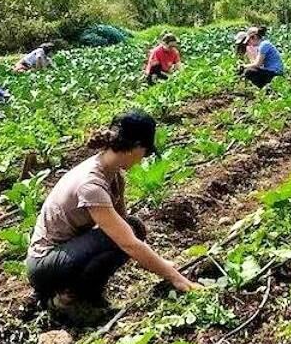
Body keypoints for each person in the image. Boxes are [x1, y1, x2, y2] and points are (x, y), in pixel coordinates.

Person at [26, 110, 200, 315]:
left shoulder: (113, 175)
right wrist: (175, 277)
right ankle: (66, 301)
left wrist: (159, 263)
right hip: (45, 264)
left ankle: (88, 295)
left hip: (67, 252)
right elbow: (127, 243)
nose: (143, 158)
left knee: (133, 227)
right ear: (135, 147)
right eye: (145, 151)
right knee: (120, 238)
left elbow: (125, 227)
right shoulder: (91, 185)